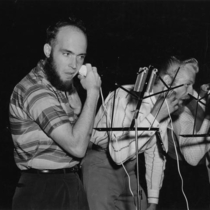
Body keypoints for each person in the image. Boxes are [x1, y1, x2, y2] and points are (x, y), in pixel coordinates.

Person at [9, 17, 101, 210]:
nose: (74, 65)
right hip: (44, 190)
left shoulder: (60, 86)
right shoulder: (35, 90)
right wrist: (92, 92)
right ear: (48, 51)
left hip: (69, 182)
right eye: (66, 53)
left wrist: (77, 102)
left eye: (80, 57)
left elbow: (82, 136)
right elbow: (77, 146)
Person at [81, 56, 197, 210]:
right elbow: (117, 155)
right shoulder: (126, 96)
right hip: (101, 163)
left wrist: (153, 201)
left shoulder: (165, 107)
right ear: (168, 81)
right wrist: (154, 117)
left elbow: (156, 155)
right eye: (187, 84)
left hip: (130, 169)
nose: (192, 92)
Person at [158, 56, 210, 209]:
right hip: (181, 183)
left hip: (198, 179)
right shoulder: (179, 110)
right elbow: (192, 158)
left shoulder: (197, 98)